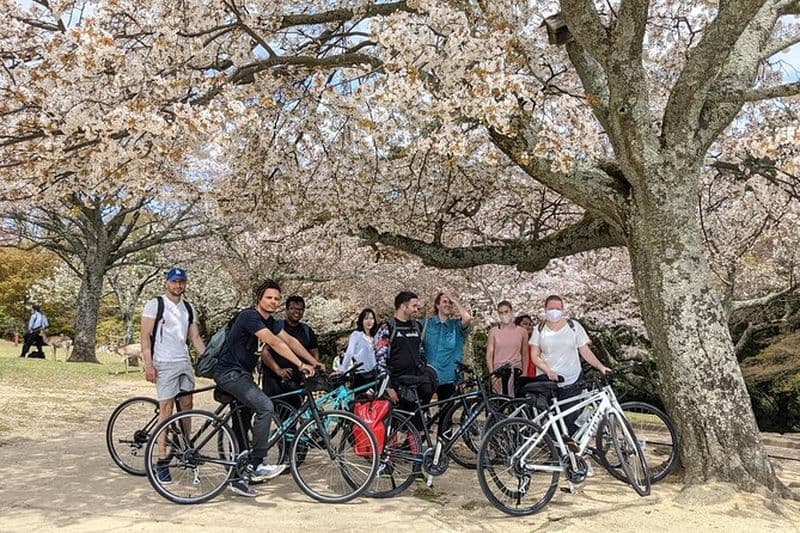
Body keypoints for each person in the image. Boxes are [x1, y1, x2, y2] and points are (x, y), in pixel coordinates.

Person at [214, 279, 316, 497]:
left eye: (277, 298)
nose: (273, 301)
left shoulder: (271, 321)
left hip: (243, 375)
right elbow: (276, 343)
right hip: (230, 373)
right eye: (269, 297)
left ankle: (238, 476)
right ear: (259, 298)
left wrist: (314, 362)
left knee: (242, 421)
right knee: (265, 407)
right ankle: (258, 462)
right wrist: (300, 365)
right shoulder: (249, 316)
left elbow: (291, 341)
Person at [141, 268, 206, 485]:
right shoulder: (155, 304)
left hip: (183, 362)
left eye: (182, 282)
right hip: (164, 362)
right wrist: (148, 364)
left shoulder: (188, 307)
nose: (178, 285)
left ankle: (185, 446)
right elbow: (145, 337)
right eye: (175, 281)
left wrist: (208, 358)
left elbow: (194, 336)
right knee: (166, 410)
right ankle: (162, 460)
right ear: (166, 282)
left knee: (187, 405)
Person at [529, 294, 611, 436]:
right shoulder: (539, 329)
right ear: (545, 309)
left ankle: (568, 452)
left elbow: (584, 351)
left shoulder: (574, 327)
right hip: (549, 381)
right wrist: (547, 370)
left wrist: (600, 366)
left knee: (571, 419)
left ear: (563, 309)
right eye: (551, 308)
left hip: (572, 380)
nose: (554, 311)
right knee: (552, 422)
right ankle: (556, 452)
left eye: (558, 308)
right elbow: (534, 355)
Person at [375, 291, 436, 429]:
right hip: (395, 384)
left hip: (415, 383)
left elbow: (420, 351)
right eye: (414, 306)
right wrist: (388, 387)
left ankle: (413, 449)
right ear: (403, 306)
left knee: (418, 427)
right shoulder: (387, 328)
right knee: (392, 427)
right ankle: (391, 449)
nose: (416, 309)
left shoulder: (416, 326)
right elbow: (380, 359)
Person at [261, 295, 320, 406]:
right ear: (287, 310)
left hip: (297, 380)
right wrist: (278, 369)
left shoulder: (307, 330)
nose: (296, 312)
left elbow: (314, 352)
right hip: (274, 379)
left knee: (293, 414)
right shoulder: (276, 327)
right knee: (269, 411)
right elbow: (265, 351)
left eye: (300, 309)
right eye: (293, 308)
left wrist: (314, 366)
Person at [422, 292, 473, 402]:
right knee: (421, 412)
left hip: (449, 376)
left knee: (446, 414)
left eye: (450, 302)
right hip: (428, 375)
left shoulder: (455, 326)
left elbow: (467, 318)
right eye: (444, 301)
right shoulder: (427, 324)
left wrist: (454, 300)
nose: (448, 304)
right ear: (437, 305)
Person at [485, 300, 528, 396]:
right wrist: (492, 376)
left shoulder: (522, 332)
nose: (504, 315)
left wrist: (524, 373)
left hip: (516, 370)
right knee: (501, 402)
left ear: (511, 311)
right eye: (501, 312)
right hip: (499, 372)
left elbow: (525, 354)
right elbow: (489, 355)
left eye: (506, 311)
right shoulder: (493, 332)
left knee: (517, 403)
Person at [337, 308, 379, 388]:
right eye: (366, 318)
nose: (369, 321)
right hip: (361, 375)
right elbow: (349, 352)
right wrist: (343, 369)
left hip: (375, 374)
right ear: (361, 321)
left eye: (371, 318)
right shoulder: (356, 335)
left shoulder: (375, 336)